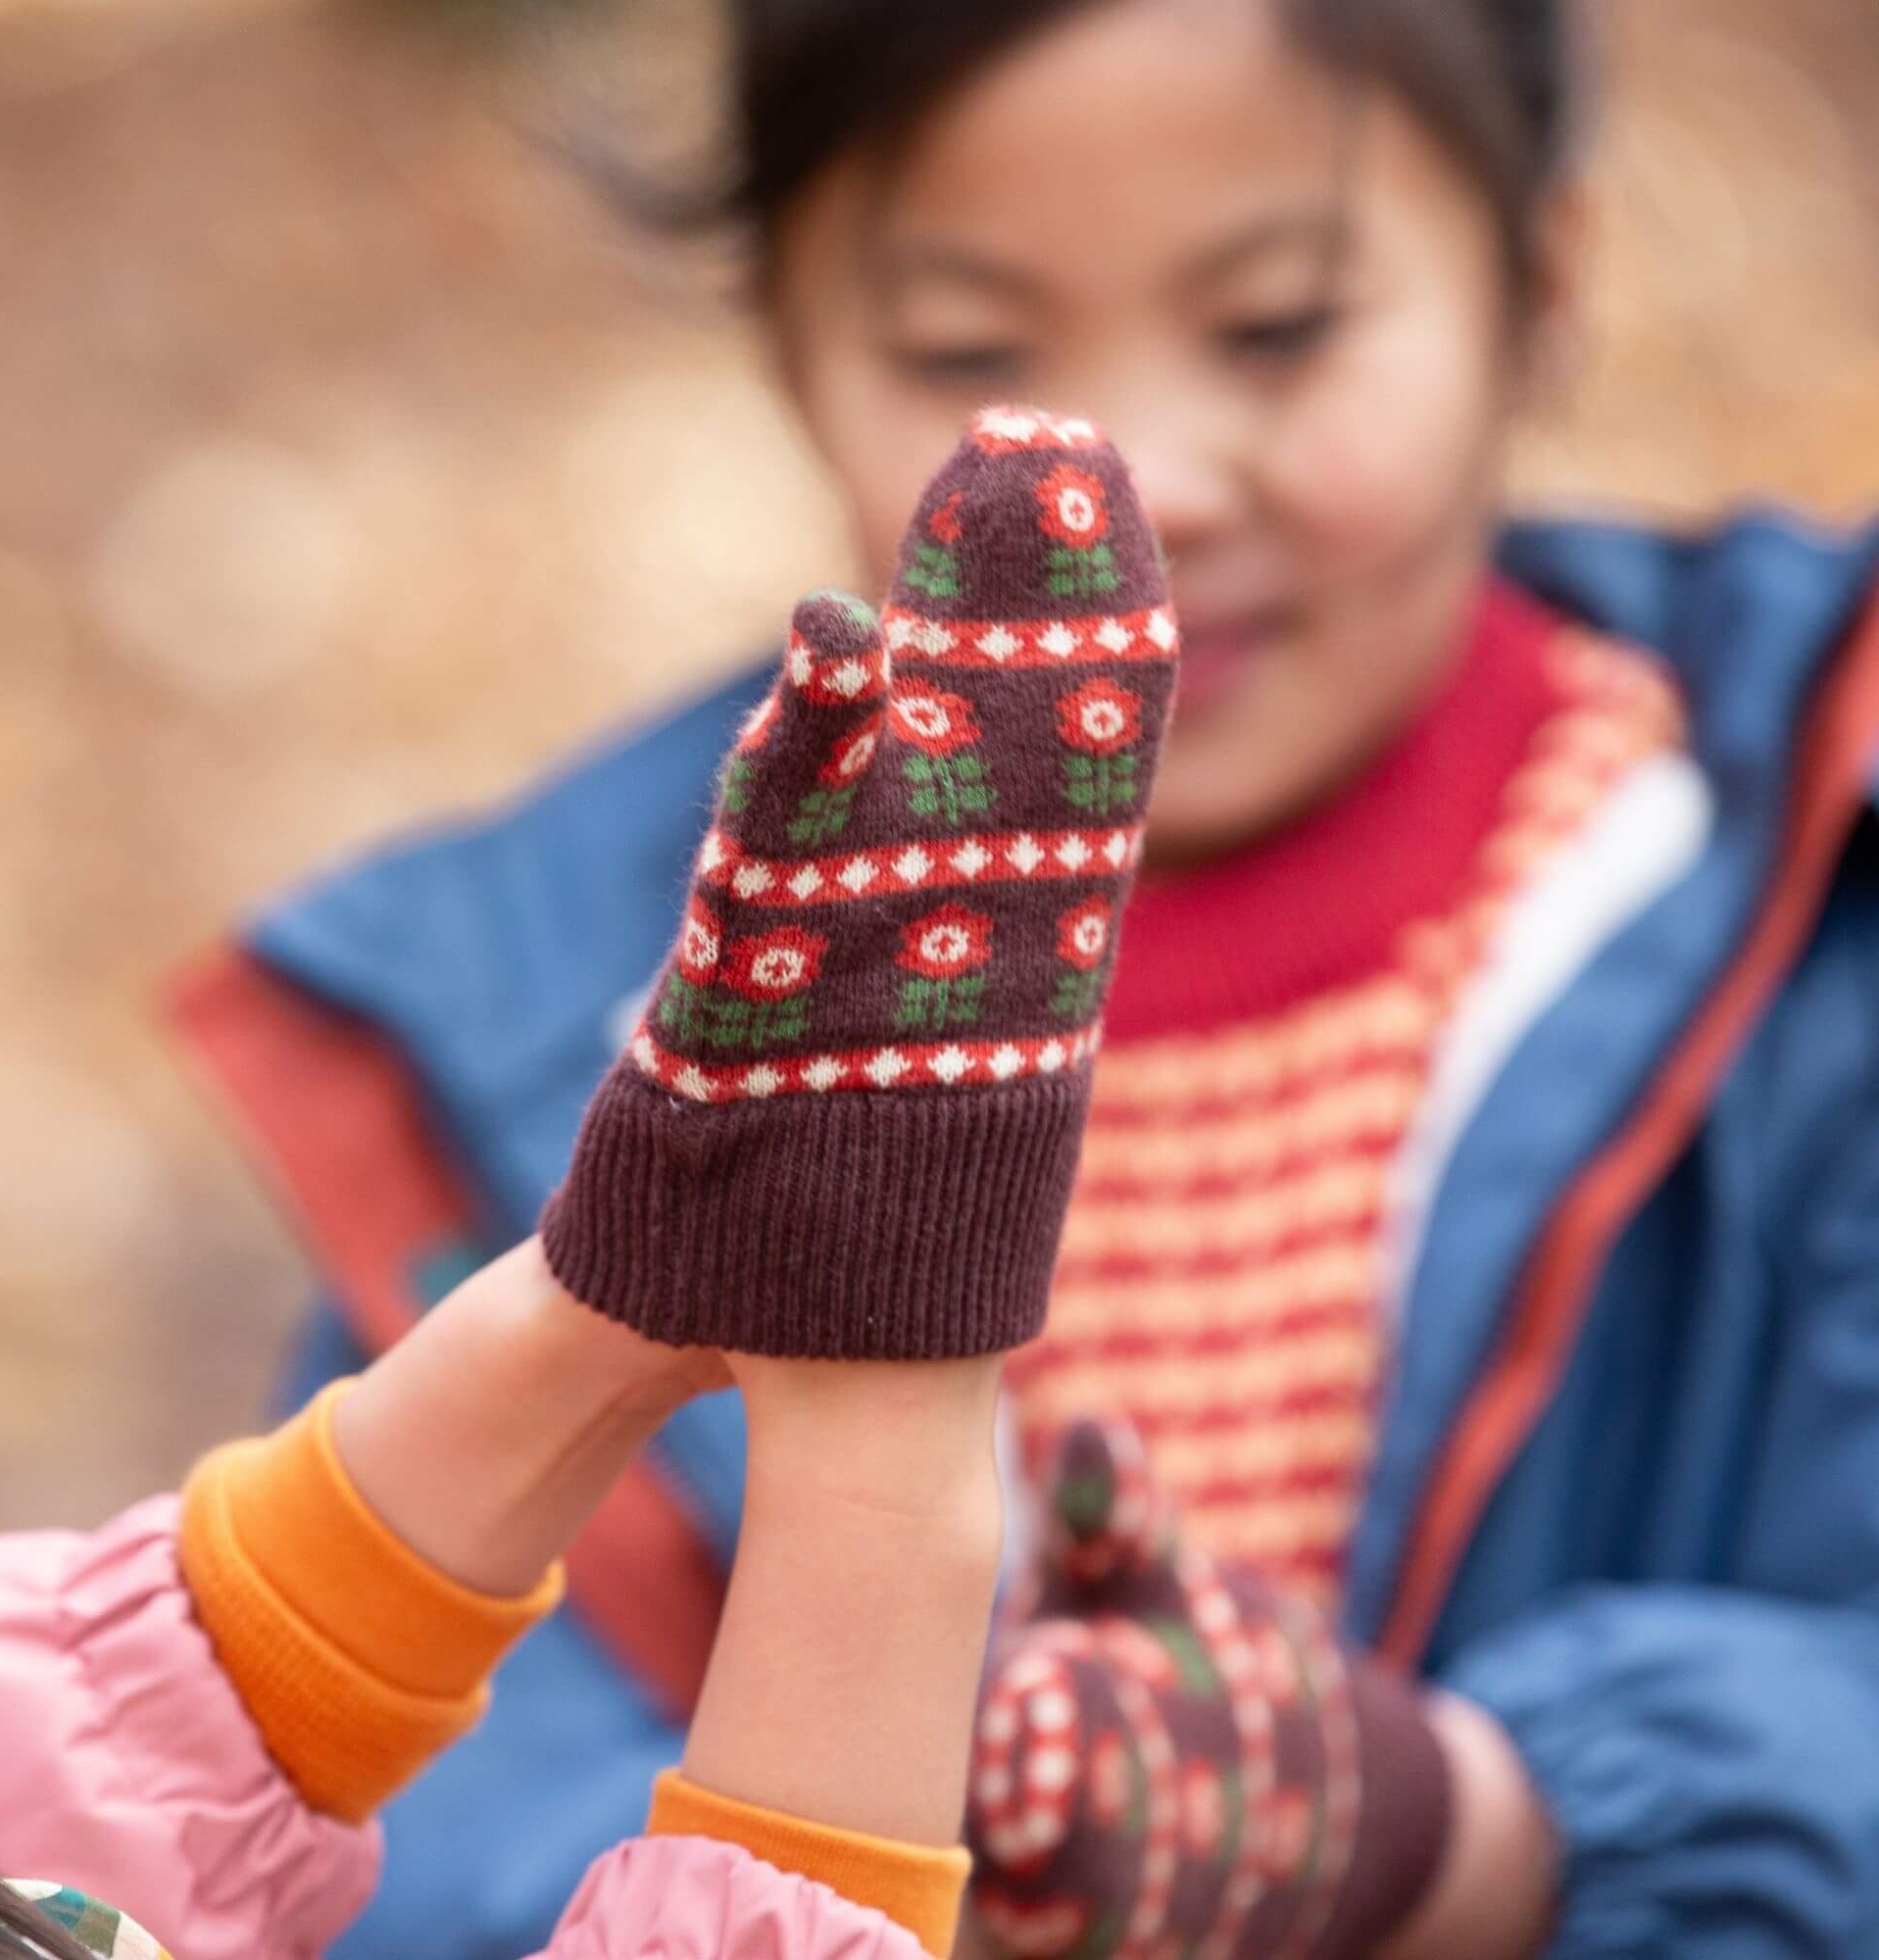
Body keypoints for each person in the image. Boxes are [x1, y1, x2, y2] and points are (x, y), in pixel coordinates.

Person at [172, 1, 1879, 1954]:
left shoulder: (1806, 890)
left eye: (1277, 328)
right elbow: (391, 1804)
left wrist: (1468, 1827)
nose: (1143, 480)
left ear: (1537, 285)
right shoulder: (597, 1007)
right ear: (788, 351)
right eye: (966, 353)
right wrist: (872, 1846)